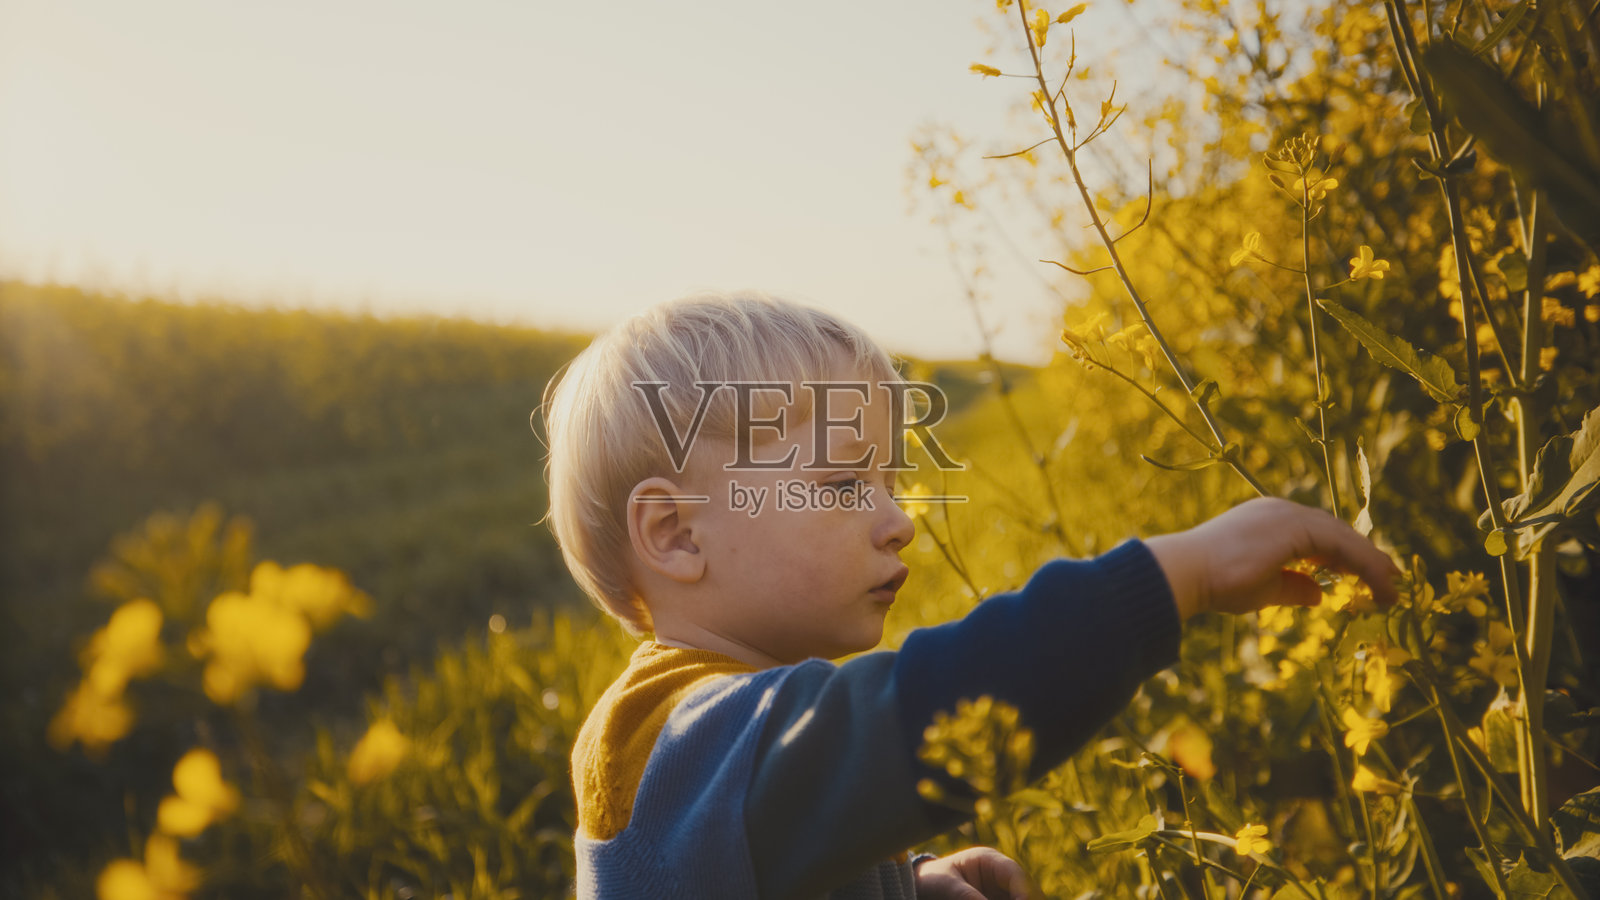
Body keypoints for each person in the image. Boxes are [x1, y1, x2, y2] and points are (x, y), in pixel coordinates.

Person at [540, 292, 1401, 900]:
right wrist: (1180, 575)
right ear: (678, 535)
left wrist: (907, 887)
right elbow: (926, 709)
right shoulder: (667, 740)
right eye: (843, 485)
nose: (897, 521)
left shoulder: (741, 749)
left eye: (890, 481)